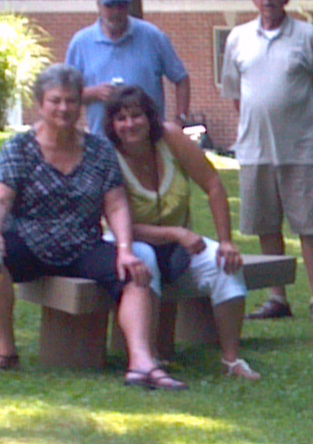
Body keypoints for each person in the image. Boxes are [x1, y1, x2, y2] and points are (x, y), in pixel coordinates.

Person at [0, 64, 183, 391]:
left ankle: (142, 362)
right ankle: (6, 352)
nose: (64, 108)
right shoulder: (19, 147)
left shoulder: (99, 149)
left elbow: (116, 204)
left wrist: (125, 250)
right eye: (55, 101)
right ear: (40, 104)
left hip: (84, 245)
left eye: (71, 101)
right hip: (29, 242)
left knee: (135, 270)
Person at [103, 84, 260, 379]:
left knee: (224, 263)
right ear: (112, 125)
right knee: (145, 258)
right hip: (127, 243)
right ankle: (147, 358)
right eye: (121, 118)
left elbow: (213, 185)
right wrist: (176, 233)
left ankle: (231, 359)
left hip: (180, 245)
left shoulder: (171, 138)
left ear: (149, 117)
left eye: (136, 116)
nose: (130, 124)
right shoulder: (108, 156)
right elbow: (121, 225)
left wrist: (226, 241)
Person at [219, 0, 313, 323]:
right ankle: (277, 298)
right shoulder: (238, 38)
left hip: (301, 148)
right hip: (255, 149)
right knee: (266, 226)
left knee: (309, 226)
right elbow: (236, 94)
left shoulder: (307, 35)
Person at [66, 0, 190, 137]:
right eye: (110, 6)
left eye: (121, 5)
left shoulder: (152, 36)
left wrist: (180, 120)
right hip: (103, 141)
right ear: (98, 5)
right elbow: (66, 94)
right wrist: (94, 93)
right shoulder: (81, 43)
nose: (116, 12)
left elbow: (181, 78)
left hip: (149, 140)